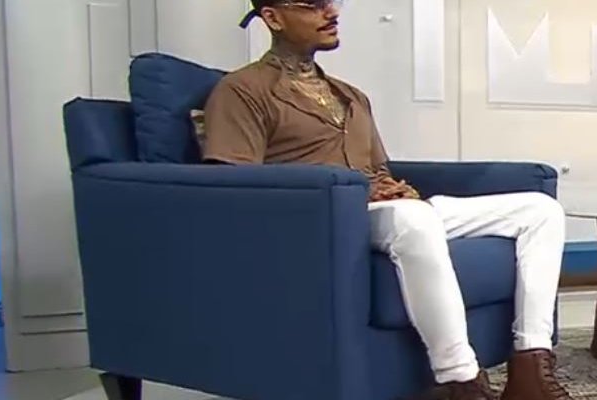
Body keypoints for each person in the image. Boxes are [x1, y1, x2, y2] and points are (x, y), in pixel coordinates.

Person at [203, 1, 571, 399]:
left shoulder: (351, 96)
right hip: (325, 217)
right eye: (313, 5)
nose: (331, 13)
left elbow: (378, 170)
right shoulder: (242, 91)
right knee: (414, 220)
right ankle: (460, 380)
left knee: (540, 211)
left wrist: (397, 188)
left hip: (388, 211)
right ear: (273, 17)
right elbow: (237, 185)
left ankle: (531, 365)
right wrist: (360, 189)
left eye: (332, 3)